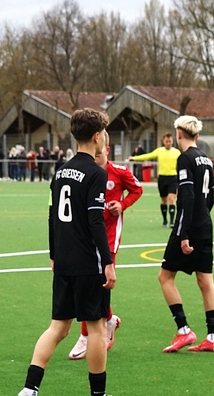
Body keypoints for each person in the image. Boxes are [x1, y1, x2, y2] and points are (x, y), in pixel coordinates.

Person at [14, 108, 133, 396]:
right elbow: (95, 221)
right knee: (96, 327)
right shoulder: (96, 173)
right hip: (88, 262)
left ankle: (29, 389)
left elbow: (52, 217)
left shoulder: (60, 172)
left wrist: (54, 254)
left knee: (58, 326)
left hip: (64, 261)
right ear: (97, 137)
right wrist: (108, 262)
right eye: (104, 134)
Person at [68, 131, 143, 360]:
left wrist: (122, 204)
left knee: (98, 282)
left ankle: (85, 335)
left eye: (99, 153)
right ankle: (109, 320)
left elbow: (137, 189)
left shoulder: (119, 172)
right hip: (86, 236)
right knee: (89, 282)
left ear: (106, 150)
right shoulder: (86, 172)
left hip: (109, 237)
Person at [157, 116, 214, 353]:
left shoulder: (184, 158)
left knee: (165, 277)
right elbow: (210, 197)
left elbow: (187, 196)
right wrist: (203, 216)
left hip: (189, 227)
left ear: (179, 134)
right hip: (205, 225)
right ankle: (212, 335)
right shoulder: (206, 158)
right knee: (205, 280)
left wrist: (183, 233)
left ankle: (184, 330)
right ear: (198, 135)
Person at [131, 132, 181, 227]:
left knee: (171, 199)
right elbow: (148, 156)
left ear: (172, 141)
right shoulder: (159, 151)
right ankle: (165, 220)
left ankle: (172, 221)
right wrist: (134, 158)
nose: (168, 143)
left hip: (173, 178)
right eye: (166, 141)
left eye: (170, 141)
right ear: (163, 141)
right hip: (162, 178)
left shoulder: (177, 152)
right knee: (163, 200)